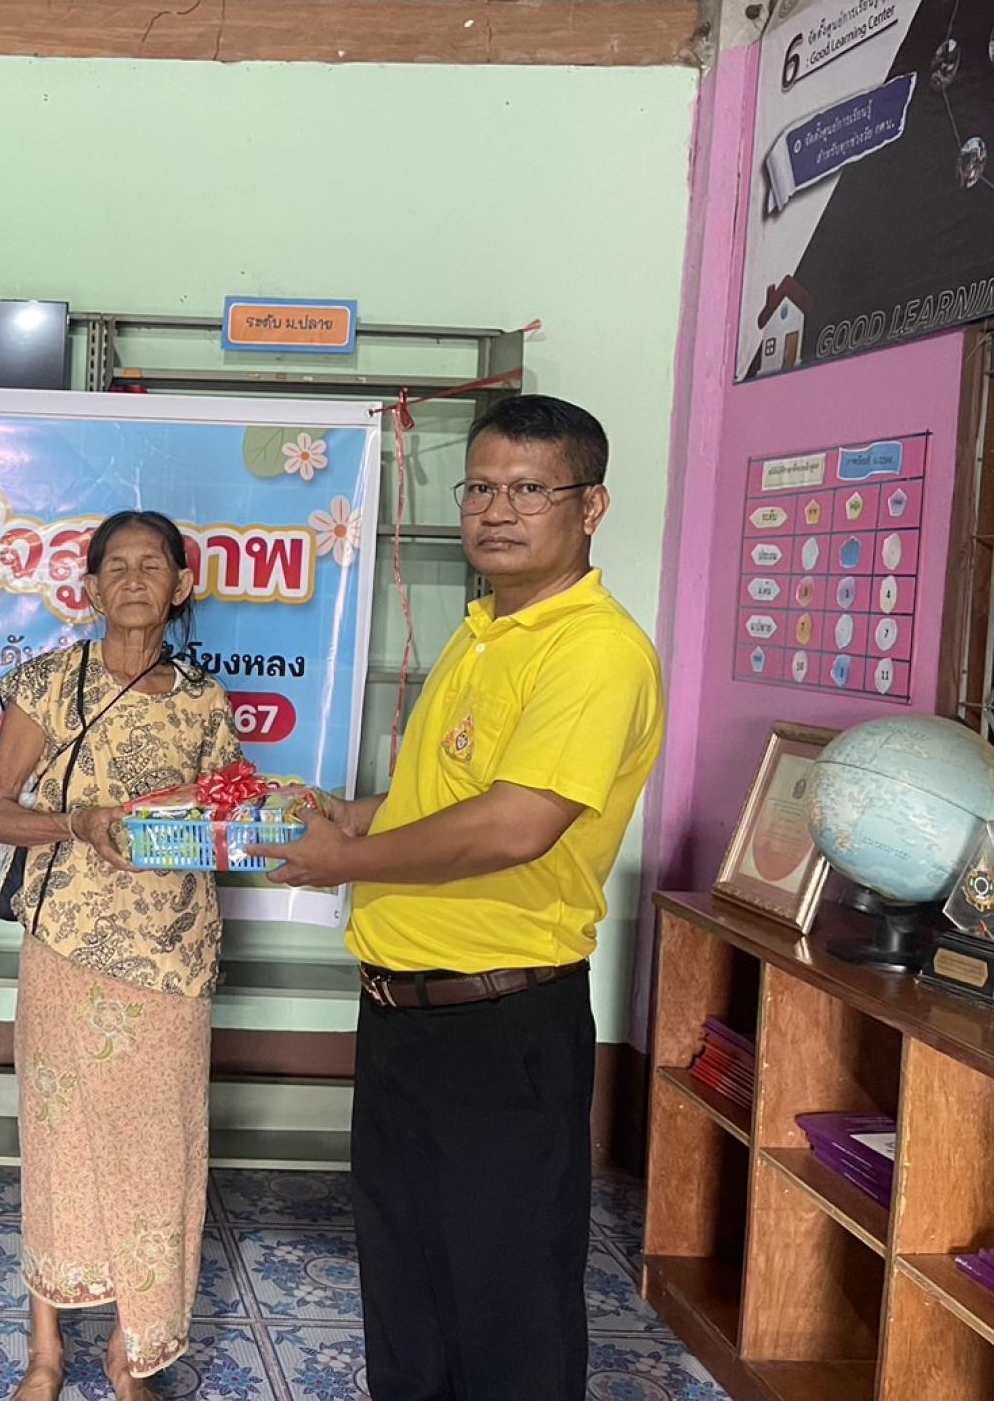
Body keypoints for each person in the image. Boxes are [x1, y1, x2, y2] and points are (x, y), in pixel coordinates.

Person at [253, 395, 665, 1401]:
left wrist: (345, 863)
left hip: (500, 1020)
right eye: (479, 487)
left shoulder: (594, 650)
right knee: (408, 1287)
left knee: (503, 1303)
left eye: (529, 490)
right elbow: (450, 801)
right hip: (403, 1012)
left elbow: (517, 826)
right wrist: (356, 817)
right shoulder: (485, 632)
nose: (496, 510)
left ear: (591, 505)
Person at [0, 509, 244, 1401]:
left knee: (158, 1153)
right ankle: (45, 1350)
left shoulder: (204, 702)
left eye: (152, 565)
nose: (133, 579)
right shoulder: (50, 684)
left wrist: (238, 825)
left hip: (172, 959)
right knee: (59, 1146)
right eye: (115, 566)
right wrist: (77, 824)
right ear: (89, 588)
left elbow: (226, 819)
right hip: (68, 946)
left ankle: (132, 1350)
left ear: (182, 585)